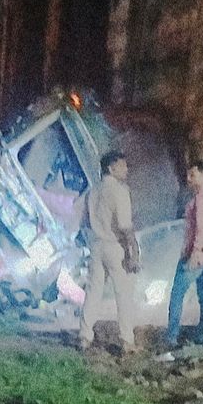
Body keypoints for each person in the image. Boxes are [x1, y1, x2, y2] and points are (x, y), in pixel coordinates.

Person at [80, 150, 141, 352]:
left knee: (93, 292)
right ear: (111, 168)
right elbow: (125, 226)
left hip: (96, 245)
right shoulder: (119, 191)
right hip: (115, 247)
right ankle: (127, 340)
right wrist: (133, 252)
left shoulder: (93, 191)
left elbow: (86, 220)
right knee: (123, 294)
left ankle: (84, 336)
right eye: (122, 165)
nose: (126, 169)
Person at [165, 160, 203, 349]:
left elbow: (202, 228)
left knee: (177, 293)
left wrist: (195, 254)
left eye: (193, 175)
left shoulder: (201, 198)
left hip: (196, 255)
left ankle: (172, 336)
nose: (189, 179)